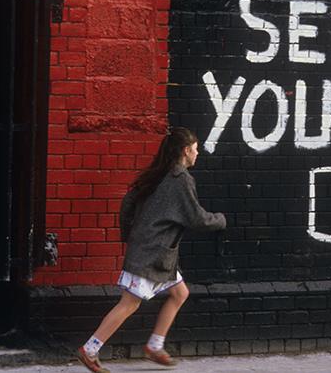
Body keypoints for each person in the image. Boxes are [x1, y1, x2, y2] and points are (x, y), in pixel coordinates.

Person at [77, 127, 226, 373]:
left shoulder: (158, 174)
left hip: (157, 254)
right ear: (186, 151)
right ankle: (90, 349)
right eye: (196, 149)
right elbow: (196, 218)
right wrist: (221, 220)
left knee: (180, 293)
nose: (198, 154)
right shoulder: (180, 179)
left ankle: (155, 346)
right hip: (152, 254)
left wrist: (130, 235)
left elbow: (128, 203)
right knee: (129, 303)